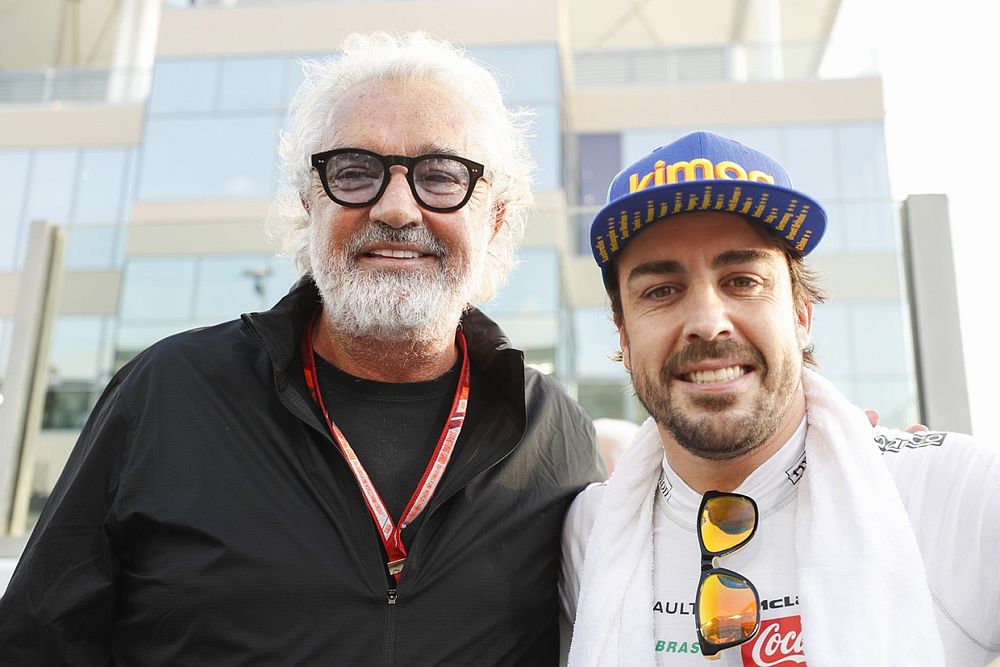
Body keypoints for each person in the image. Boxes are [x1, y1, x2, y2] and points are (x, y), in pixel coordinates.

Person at [0, 32, 602, 664]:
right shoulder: (166, 392)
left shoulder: (553, 432)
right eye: (353, 172)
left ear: (496, 219)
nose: (397, 209)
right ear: (309, 202)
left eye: (443, 176)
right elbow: (37, 644)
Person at [560, 131, 1000, 666]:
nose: (706, 322)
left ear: (801, 316)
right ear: (624, 338)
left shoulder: (957, 492)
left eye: (742, 281)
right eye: (661, 291)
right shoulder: (587, 534)